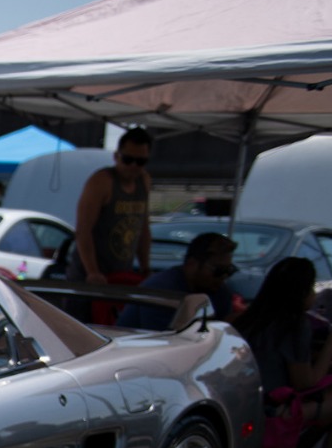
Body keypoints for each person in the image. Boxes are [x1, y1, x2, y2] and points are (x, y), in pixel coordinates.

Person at [233, 256, 332, 448]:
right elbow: (305, 382)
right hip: (275, 411)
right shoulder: (295, 324)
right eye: (310, 288)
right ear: (300, 292)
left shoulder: (248, 319)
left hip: (246, 406)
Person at [67, 127, 153, 284]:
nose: (133, 166)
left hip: (121, 275)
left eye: (140, 162)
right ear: (116, 156)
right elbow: (83, 231)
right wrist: (92, 272)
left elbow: (144, 228)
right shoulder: (102, 181)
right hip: (88, 277)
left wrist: (145, 267)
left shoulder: (144, 181)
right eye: (128, 160)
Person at [116, 232, 238, 329]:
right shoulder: (161, 290)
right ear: (192, 264)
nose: (224, 276)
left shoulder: (219, 291)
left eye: (229, 270)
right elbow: (164, 341)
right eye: (219, 270)